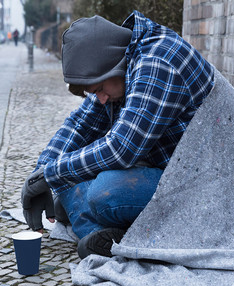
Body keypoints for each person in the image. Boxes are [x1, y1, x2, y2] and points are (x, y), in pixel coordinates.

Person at [21, 11, 214, 259]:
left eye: (100, 89)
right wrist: (40, 173)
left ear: (114, 63)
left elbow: (121, 149)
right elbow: (80, 124)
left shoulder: (158, 62)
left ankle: (97, 226)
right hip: (163, 171)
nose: (100, 98)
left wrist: (50, 176)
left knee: (104, 193)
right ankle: (101, 233)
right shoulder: (119, 64)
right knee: (71, 176)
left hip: (200, 185)